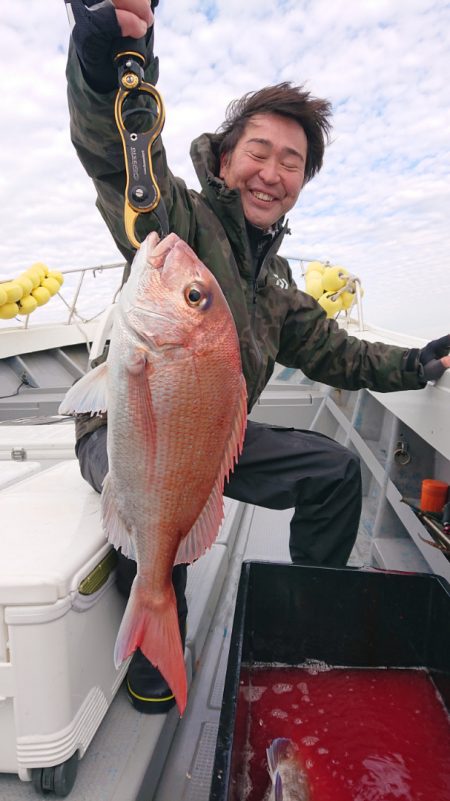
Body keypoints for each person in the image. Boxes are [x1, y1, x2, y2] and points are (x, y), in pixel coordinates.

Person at [65, 0, 450, 714]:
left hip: (207, 436)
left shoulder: (276, 284)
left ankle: (309, 614)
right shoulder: (180, 223)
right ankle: (155, 615)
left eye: (292, 163)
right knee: (147, 508)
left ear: (302, 182)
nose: (273, 173)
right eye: (260, 152)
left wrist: (418, 363)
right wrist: (105, 68)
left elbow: (340, 353)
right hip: (126, 426)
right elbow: (119, 160)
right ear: (225, 158)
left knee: (335, 471)